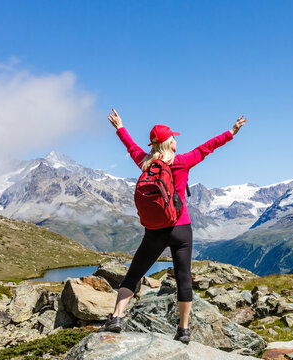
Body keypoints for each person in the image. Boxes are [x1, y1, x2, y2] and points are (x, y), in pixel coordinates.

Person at [103, 109, 247, 344]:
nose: (176, 140)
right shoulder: (181, 161)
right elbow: (206, 148)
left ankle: (117, 317)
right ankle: (184, 330)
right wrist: (231, 132)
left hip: (154, 231)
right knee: (183, 278)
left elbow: (130, 146)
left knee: (134, 274)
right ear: (169, 142)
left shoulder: (145, 161)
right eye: (174, 137)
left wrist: (120, 127)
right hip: (181, 229)